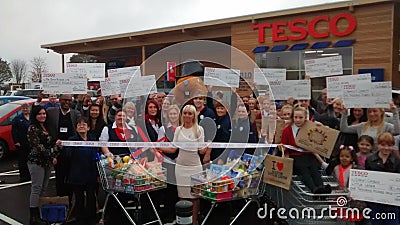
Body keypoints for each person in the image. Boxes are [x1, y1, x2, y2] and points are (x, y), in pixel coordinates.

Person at [161, 105, 206, 225]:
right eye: (185, 113)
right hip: (180, 167)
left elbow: (202, 150)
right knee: (182, 196)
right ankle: (183, 221)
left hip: (194, 166)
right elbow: (173, 149)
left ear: (194, 115)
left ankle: (194, 221)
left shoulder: (199, 129)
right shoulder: (179, 130)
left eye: (190, 113)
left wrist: (209, 145)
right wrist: (158, 147)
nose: (187, 115)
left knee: (194, 197)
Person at [38, 93, 81, 199]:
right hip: (57, 150)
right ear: (59, 100)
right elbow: (38, 113)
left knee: (70, 176)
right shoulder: (51, 112)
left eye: (69, 100)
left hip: (71, 150)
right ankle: (60, 198)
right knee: (59, 176)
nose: (66, 102)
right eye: (64, 100)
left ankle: (69, 199)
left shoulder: (76, 113)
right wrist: (38, 100)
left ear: (71, 102)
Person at [280, 105, 331, 194]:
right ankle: (314, 189)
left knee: (314, 169)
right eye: (296, 117)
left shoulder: (310, 127)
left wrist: (320, 126)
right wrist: (282, 149)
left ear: (305, 118)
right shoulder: (287, 130)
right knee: (304, 170)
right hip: (295, 156)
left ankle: (322, 188)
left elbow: (322, 135)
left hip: (309, 155)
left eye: (300, 117)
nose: (298, 120)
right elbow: (284, 147)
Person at [27, 106, 61, 225]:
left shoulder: (47, 127)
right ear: (35, 115)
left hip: (47, 162)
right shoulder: (32, 128)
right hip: (36, 161)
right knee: (36, 188)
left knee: (43, 188)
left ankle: (41, 213)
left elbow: (52, 143)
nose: (43, 116)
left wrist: (56, 152)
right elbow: (38, 147)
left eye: (44, 113)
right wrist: (51, 156)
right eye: (40, 114)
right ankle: (33, 217)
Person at [64, 117, 98, 225]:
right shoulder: (71, 140)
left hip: (91, 174)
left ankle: (92, 218)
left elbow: (96, 155)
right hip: (77, 174)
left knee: (91, 198)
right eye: (79, 125)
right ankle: (80, 219)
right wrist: (63, 146)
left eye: (84, 124)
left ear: (88, 127)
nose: (81, 126)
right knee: (79, 199)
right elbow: (67, 155)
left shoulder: (93, 140)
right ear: (76, 128)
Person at [365, 132, 400, 225]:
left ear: (393, 146)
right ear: (378, 145)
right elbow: (366, 179)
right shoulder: (369, 159)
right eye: (383, 145)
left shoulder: (397, 161)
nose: (386, 148)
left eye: (389, 145)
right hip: (375, 202)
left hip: (391, 203)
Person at [11, 103, 31, 182]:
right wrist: (16, 141)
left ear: (29, 109)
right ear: (21, 109)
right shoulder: (17, 119)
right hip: (21, 142)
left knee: (30, 159)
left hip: (31, 142)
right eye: (23, 108)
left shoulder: (32, 118)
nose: (25, 110)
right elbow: (13, 131)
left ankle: (30, 175)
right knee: (22, 160)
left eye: (26, 108)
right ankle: (23, 176)